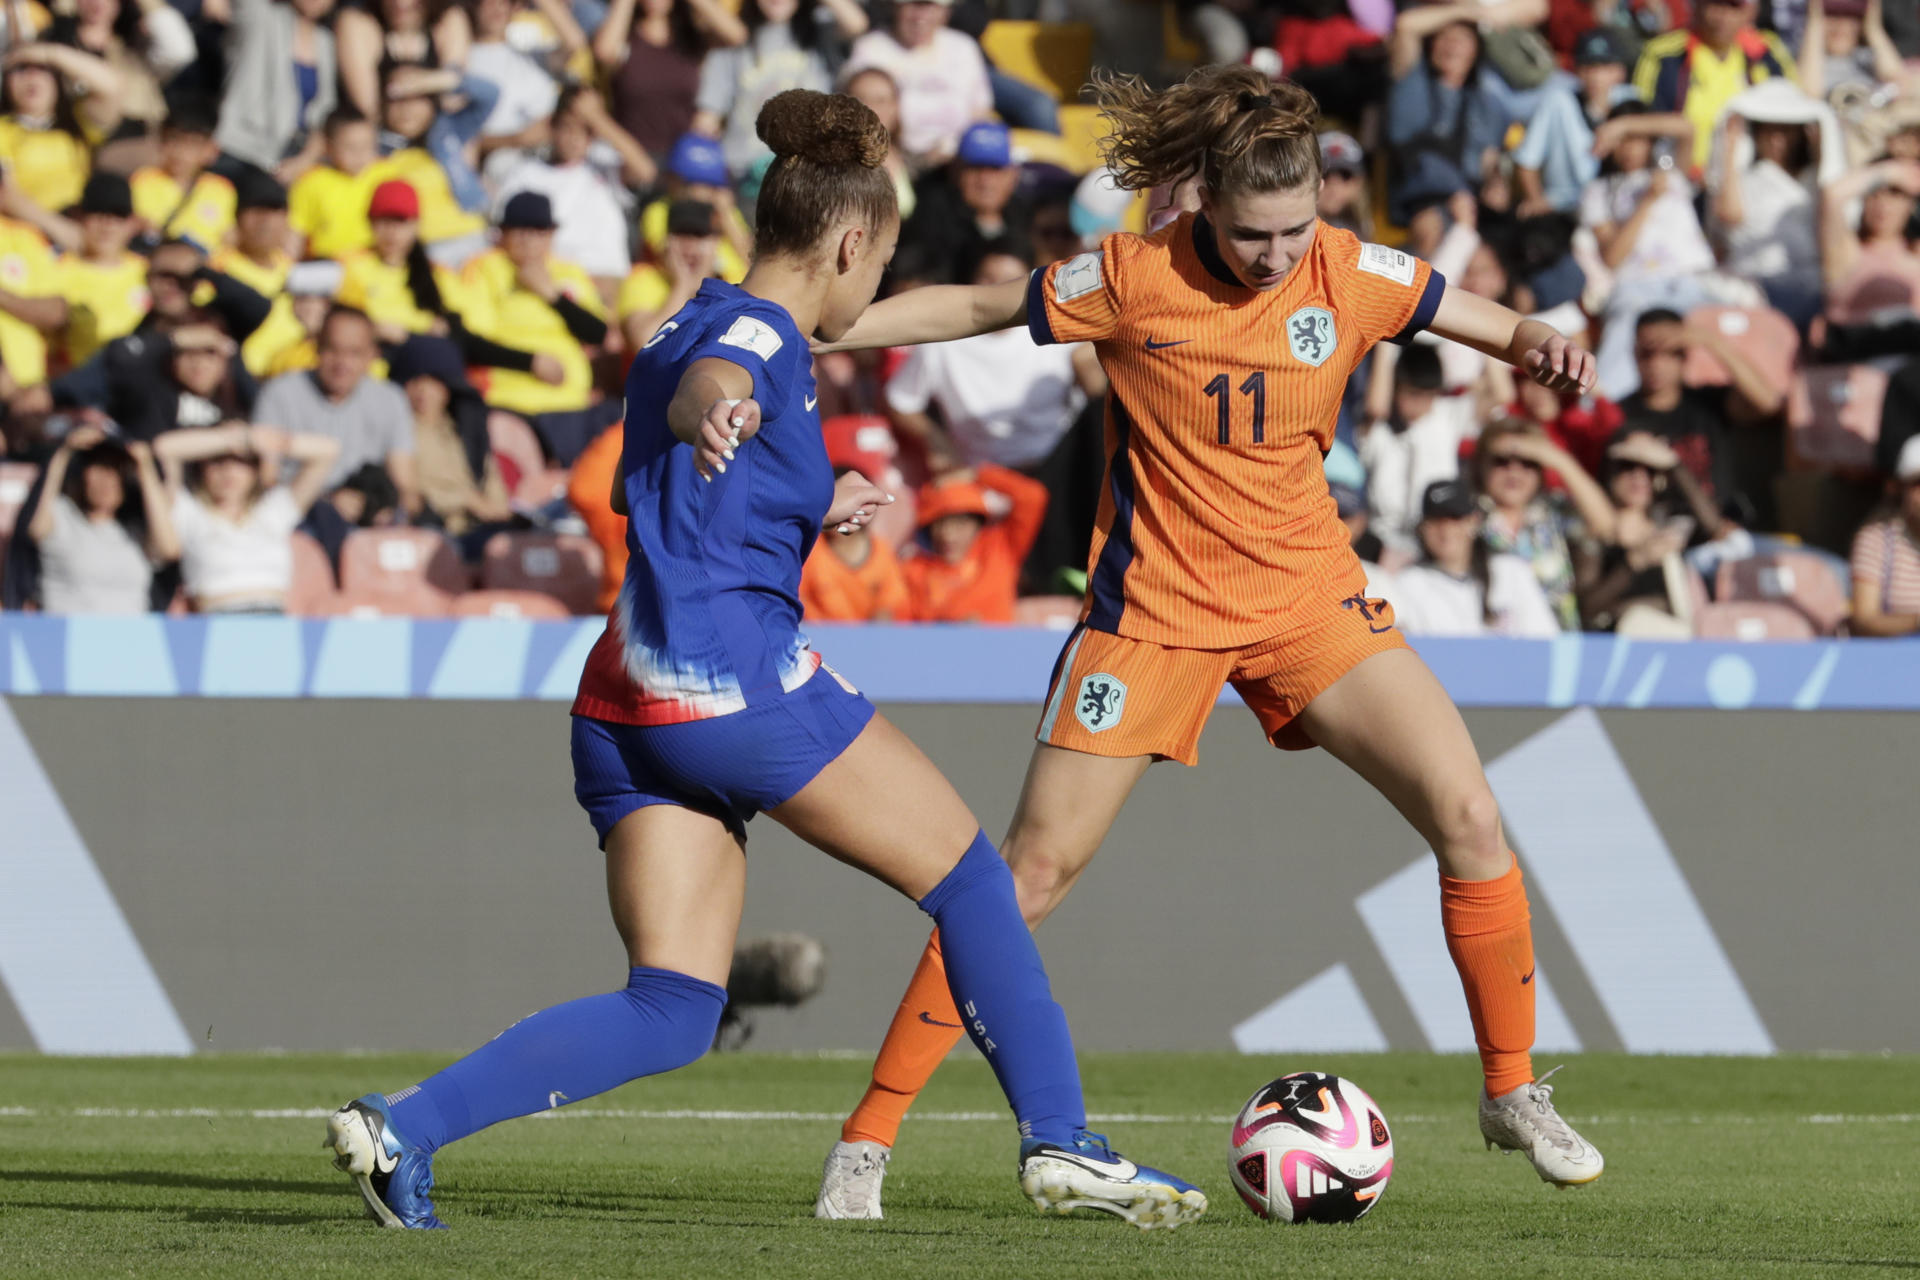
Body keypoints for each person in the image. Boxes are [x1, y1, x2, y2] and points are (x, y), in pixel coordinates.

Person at [321, 87, 1205, 1234]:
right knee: (976, 878)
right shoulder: (754, 340)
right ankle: (1060, 1137)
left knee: (675, 1004)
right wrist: (721, 414)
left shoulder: (693, 309)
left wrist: (811, 494)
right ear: (849, 243)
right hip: (731, 682)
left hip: (624, 704)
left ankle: (404, 1127)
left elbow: (705, 426)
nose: (874, 288)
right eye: (877, 263)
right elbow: (717, 387)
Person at [812, 64, 1606, 1221]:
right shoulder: (1134, 274)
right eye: (1250, 234)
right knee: (1019, 879)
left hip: (1307, 601)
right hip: (1153, 617)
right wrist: (825, 328)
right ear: (1203, 206)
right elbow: (982, 309)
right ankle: (868, 1140)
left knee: (1471, 814)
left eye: (1294, 230)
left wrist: (1535, 335)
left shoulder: (1346, 265)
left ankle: (1510, 1088)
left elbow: (1462, 311)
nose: (1277, 255)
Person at [884, 235, 1097, 474]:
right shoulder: (942, 342)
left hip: (1057, 471)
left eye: (1012, 281)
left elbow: (1095, 381)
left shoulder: (1059, 331)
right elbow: (900, 400)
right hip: (979, 476)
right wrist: (934, 437)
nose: (999, 290)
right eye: (988, 279)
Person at [458, 191, 615, 464]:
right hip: (510, 401)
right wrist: (531, 362)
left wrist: (551, 295)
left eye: (538, 230)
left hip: (570, 404)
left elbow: (597, 333)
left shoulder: (569, 273)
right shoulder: (485, 268)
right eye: (519, 230)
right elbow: (472, 342)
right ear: (503, 234)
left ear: (551, 235)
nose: (528, 239)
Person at [154, 420, 341, 613]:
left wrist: (261, 440)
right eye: (217, 461)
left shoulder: (273, 510)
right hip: (216, 622)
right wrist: (233, 439)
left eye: (241, 461)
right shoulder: (190, 512)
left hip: (273, 620)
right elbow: (164, 448)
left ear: (255, 470)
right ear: (202, 468)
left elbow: (328, 450)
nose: (228, 471)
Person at [252, 305, 420, 515]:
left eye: (354, 353)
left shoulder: (391, 400)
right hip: (296, 518)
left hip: (367, 524)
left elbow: (406, 488)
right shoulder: (279, 393)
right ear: (316, 348)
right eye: (333, 349)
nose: (342, 363)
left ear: (372, 356)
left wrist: (380, 509)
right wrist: (327, 504)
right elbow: (265, 480)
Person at [1616, 307, 1783, 520]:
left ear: (1685, 355)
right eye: (1648, 353)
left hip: (1726, 528)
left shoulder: (1706, 403)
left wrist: (1711, 341)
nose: (1656, 364)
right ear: (1635, 354)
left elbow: (1768, 403)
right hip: (1660, 535)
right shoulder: (1619, 415)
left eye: (1670, 353)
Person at [493, 85, 655, 292]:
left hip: (603, 274)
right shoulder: (525, 173)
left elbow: (645, 171)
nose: (575, 137)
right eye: (567, 127)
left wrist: (597, 118)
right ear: (553, 128)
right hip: (551, 278)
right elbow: (503, 231)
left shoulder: (606, 165)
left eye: (586, 130)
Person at [1471, 415, 1618, 629]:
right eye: (1501, 461)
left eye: (1527, 463)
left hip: (1555, 647)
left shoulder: (1553, 511)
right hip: (1491, 644)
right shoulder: (1465, 517)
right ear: (1482, 465)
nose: (1514, 472)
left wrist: (1559, 460)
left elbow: (1606, 527)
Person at [691, 0, 865, 180]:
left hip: (806, 174)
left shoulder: (819, 33)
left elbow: (857, 24)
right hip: (743, 175)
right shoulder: (732, 42)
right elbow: (707, 119)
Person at [1578, 430, 1727, 631]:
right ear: (1610, 471)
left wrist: (1674, 464)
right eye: (1627, 466)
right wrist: (1632, 563)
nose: (1639, 476)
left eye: (1650, 470)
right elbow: (1585, 608)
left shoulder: (1672, 527)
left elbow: (1713, 526)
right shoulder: (1592, 535)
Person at [1379, 479, 1562, 637]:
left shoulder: (1511, 571)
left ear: (1473, 521)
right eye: (1435, 521)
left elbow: (1544, 639)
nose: (1446, 530)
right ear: (1422, 528)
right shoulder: (1408, 583)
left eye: (1455, 518)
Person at [26, 422, 175, 614]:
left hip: (131, 639)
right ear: (81, 475)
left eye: (116, 469)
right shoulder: (62, 516)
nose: (107, 480)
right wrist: (63, 454)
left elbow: (170, 548)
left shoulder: (135, 532)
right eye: (99, 467)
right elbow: (36, 529)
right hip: (69, 638)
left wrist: (145, 466)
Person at [1632, 0, 1796, 171]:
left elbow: (1796, 107)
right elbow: (1640, 120)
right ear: (1697, 7)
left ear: (1750, 12)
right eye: (1715, 4)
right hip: (1677, 175)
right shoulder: (1663, 54)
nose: (1723, 16)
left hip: (1750, 177)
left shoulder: (1766, 52)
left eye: (1733, 7)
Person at [841, 0, 992, 167]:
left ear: (945, 12)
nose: (920, 16)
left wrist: (952, 147)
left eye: (929, 7)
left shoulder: (963, 48)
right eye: (912, 5)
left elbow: (981, 112)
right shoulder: (871, 48)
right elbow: (857, 109)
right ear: (896, 8)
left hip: (955, 162)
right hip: (889, 158)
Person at [1356, 342, 1472, 557]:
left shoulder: (1445, 417)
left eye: (1429, 395)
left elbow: (1500, 393)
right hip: (1382, 545)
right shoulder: (1379, 430)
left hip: (1436, 541)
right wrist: (1387, 344)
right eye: (1412, 394)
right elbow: (1375, 407)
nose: (1420, 404)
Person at [902, 464, 1047, 623]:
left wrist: (977, 475)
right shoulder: (914, 569)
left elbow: (1033, 496)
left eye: (960, 524)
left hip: (998, 645)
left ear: (978, 524)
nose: (947, 536)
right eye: (939, 524)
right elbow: (904, 624)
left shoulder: (1001, 547)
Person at [211, 0, 338, 181]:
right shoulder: (260, 16)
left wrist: (305, 159)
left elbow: (324, 111)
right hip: (238, 150)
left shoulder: (326, 41)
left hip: (290, 160)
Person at [899, 120, 1028, 285]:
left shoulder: (1025, 217)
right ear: (955, 170)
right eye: (975, 168)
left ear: (1013, 174)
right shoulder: (928, 219)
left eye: (995, 169)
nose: (985, 181)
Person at [50, 174, 148, 368]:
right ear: (78, 216)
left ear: (133, 223)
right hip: (78, 386)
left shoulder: (150, 272)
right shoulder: (56, 269)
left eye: (119, 215)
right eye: (97, 212)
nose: (107, 225)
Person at [129, 99, 237, 250]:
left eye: (192, 144)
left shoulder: (222, 189)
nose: (180, 152)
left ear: (211, 149)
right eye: (174, 140)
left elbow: (228, 238)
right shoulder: (142, 180)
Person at [1848, 434, 1920, 636]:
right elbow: (1864, 619)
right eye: (1918, 483)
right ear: (1899, 488)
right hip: (1892, 660)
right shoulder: (1876, 540)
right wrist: (1916, 621)